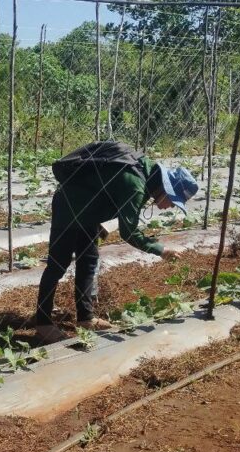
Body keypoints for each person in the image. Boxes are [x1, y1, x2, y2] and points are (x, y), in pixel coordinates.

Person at [30, 140, 199, 344]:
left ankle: (86, 318)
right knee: (57, 265)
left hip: (88, 212)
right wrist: (160, 250)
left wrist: (104, 222)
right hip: (69, 208)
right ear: (166, 188)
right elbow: (129, 233)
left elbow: (112, 194)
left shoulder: (143, 176)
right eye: (173, 201)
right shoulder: (136, 184)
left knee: (88, 261)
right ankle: (43, 324)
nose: (170, 207)